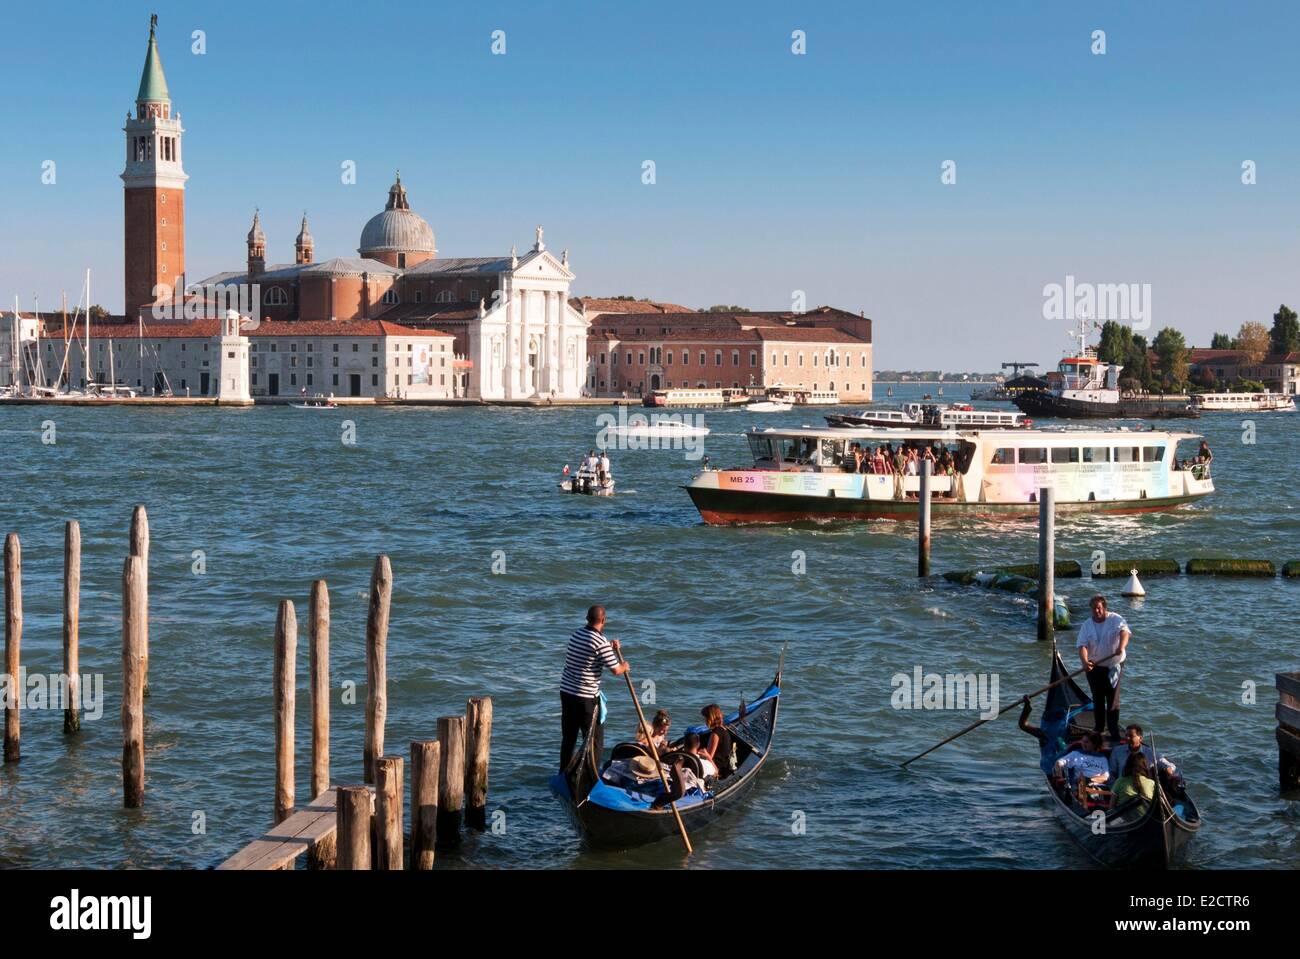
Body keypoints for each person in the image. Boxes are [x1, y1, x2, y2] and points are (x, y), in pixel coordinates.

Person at [559, 605, 629, 772]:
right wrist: (624, 665)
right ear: (603, 620)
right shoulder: (600, 642)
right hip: (586, 697)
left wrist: (609, 649)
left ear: (587, 618)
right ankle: (590, 775)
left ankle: (564, 771)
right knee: (594, 741)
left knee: (569, 737)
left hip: (567, 692)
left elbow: (589, 656)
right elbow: (616, 670)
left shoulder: (576, 634)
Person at [1076, 594, 1131, 742]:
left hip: (1114, 665)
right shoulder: (1086, 625)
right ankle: (1099, 728)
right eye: (1094, 609)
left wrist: (1121, 646)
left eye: (1099, 608)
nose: (1096, 611)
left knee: (1112, 699)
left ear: (1104, 608)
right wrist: (1084, 661)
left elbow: (1125, 633)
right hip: (1094, 667)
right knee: (1098, 698)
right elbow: (1082, 646)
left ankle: (1113, 730)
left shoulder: (1115, 619)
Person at [1107, 723, 1177, 781]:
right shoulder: (1117, 751)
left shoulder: (1150, 752)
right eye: (1126, 735)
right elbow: (1111, 772)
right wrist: (1114, 789)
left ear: (1140, 738)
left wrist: (1169, 769)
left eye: (1131, 736)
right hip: (1123, 789)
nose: (1127, 738)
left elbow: (1170, 765)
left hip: (1144, 789)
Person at [697, 704, 735, 778]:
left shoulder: (716, 733)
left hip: (718, 768)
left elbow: (709, 756)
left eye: (705, 718)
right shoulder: (723, 729)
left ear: (710, 718)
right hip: (724, 765)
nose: (704, 721)